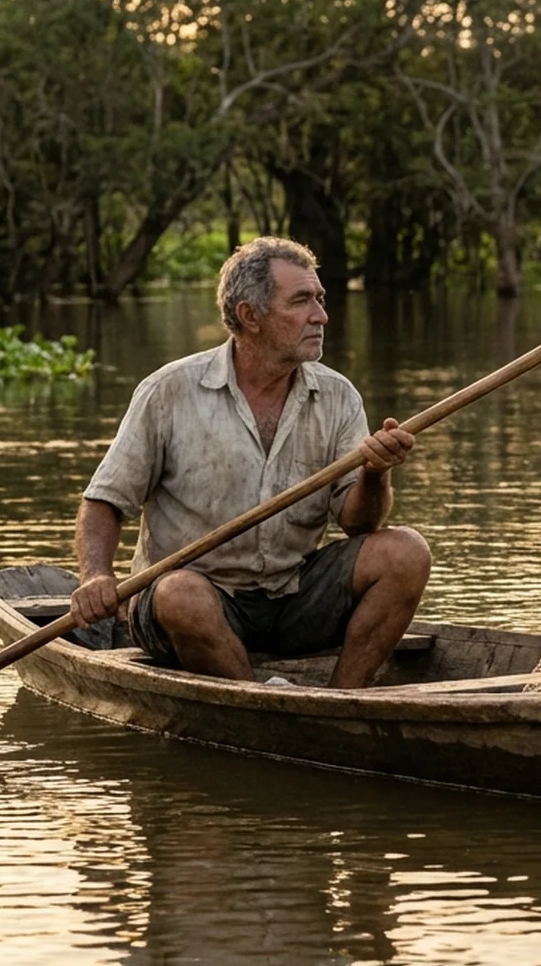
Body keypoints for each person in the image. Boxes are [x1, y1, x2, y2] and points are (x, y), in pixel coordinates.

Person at [67, 237, 431, 687]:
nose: (321, 316)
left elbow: (360, 524)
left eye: (319, 299)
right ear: (249, 316)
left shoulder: (338, 396)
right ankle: (259, 700)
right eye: (301, 301)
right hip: (189, 604)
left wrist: (376, 474)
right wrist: (97, 577)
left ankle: (343, 700)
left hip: (291, 594)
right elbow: (104, 502)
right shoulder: (170, 391)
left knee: (406, 552)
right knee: (181, 593)